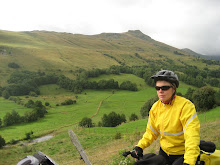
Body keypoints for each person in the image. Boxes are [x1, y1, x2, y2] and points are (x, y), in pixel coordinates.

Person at [134, 70, 200, 165]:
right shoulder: (155, 107)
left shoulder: (185, 106)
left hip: (183, 154)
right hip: (164, 153)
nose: (160, 91)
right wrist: (139, 147)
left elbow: (192, 136)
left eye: (164, 88)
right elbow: (151, 132)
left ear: (173, 89)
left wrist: (189, 161)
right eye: (158, 88)